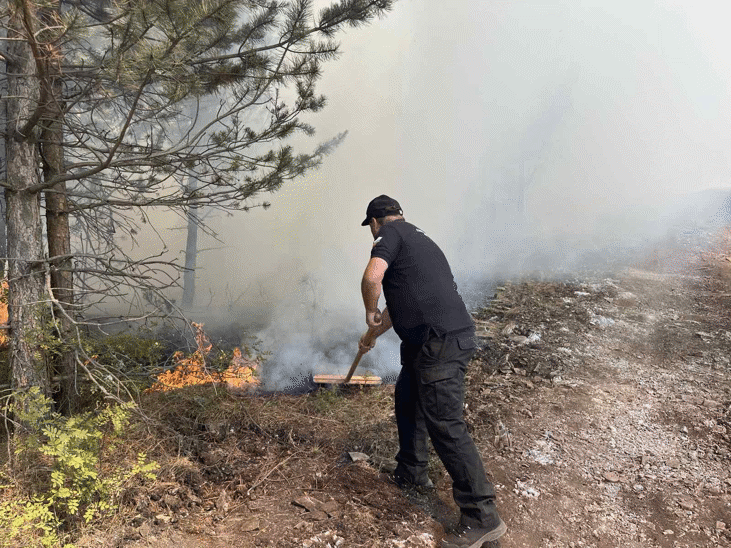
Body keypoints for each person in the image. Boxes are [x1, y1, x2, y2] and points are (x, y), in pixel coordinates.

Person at [358, 195, 506, 548]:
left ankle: (482, 518)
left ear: (376, 222)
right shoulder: (419, 241)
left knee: (446, 426)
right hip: (430, 343)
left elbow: (371, 277)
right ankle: (411, 473)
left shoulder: (389, 236)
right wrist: (371, 333)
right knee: (408, 398)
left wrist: (369, 310)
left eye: (371, 227)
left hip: (440, 343)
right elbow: (402, 306)